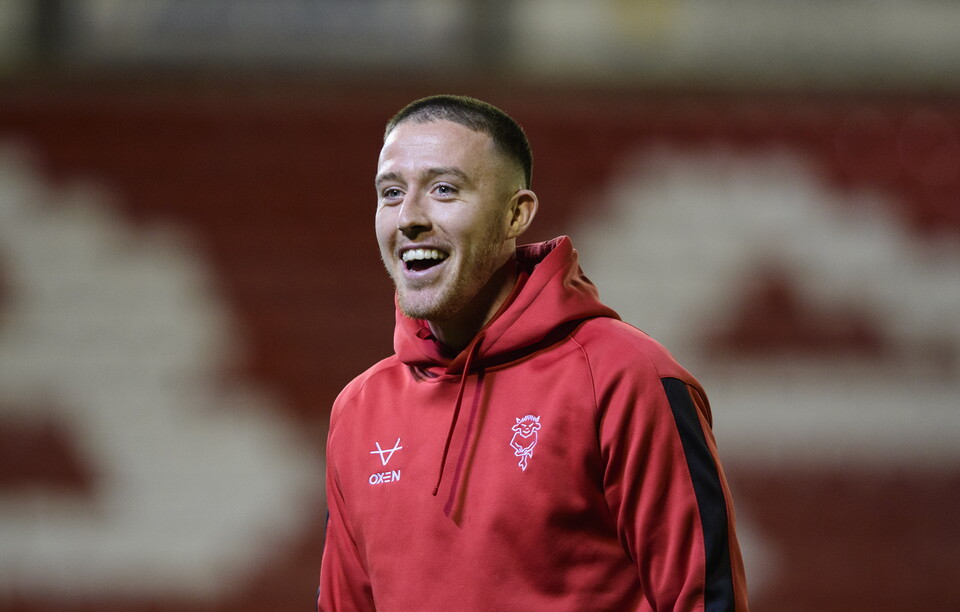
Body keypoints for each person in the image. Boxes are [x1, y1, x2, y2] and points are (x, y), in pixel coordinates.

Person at [318, 95, 749, 611]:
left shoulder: (625, 377)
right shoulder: (358, 410)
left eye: (444, 189)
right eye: (391, 193)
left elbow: (703, 600)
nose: (409, 218)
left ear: (515, 214)